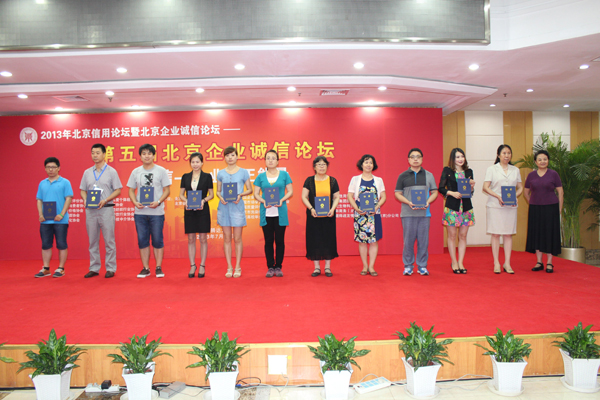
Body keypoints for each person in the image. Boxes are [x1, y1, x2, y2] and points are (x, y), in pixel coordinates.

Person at [127, 144, 171, 278]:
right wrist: (135, 202)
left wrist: (158, 201)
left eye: (149, 153)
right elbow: (131, 190)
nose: (147, 156)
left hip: (157, 212)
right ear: (140, 156)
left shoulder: (161, 171)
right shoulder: (135, 172)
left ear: (154, 155)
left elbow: (167, 190)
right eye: (144, 153)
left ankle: (158, 267)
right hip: (140, 213)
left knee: (157, 240)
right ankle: (145, 268)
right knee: (142, 241)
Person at [79, 144, 122, 278]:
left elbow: (118, 190)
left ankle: (110, 268)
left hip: (106, 209)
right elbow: (82, 190)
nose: (95, 155)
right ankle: (94, 268)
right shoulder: (87, 172)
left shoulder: (111, 171)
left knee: (109, 241)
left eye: (98, 153)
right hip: (91, 211)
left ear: (104, 154)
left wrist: (106, 200)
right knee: (92, 241)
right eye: (93, 153)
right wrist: (85, 199)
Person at [394, 148, 438, 276]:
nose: (415, 159)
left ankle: (422, 266)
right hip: (408, 213)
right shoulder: (402, 176)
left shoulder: (429, 175)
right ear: (408, 160)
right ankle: (408, 266)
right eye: (412, 157)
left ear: (422, 159)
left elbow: (435, 192)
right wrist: (408, 202)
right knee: (408, 241)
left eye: (418, 156)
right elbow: (397, 193)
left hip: (424, 214)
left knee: (423, 241)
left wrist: (428, 202)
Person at [483, 144, 523, 274]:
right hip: (495, 205)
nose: (507, 155)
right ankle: (496, 262)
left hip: (510, 206)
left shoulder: (515, 170)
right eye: (504, 153)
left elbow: (520, 187)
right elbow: (485, 187)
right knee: (495, 234)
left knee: (508, 234)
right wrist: (498, 196)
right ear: (498, 155)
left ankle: (507, 263)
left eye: (509, 153)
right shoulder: (492, 169)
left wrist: (515, 196)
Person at [253, 150, 294, 277]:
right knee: (268, 241)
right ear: (265, 161)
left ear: (277, 161)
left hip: (280, 213)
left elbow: (290, 191)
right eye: (268, 158)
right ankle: (270, 266)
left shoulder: (284, 175)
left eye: (273, 158)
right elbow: (256, 194)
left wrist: (282, 200)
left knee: (280, 241)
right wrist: (263, 201)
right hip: (266, 213)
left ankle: (279, 266)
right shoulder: (260, 177)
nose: (270, 160)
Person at [524, 150, 563, 273]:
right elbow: (526, 192)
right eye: (539, 159)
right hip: (535, 209)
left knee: (549, 234)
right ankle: (539, 262)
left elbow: (560, 192)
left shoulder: (553, 174)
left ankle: (550, 262)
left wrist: (559, 209)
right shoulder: (531, 175)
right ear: (535, 162)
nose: (542, 161)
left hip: (551, 208)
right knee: (537, 234)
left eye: (545, 159)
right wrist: (533, 201)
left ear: (548, 161)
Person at [216, 146, 252, 278]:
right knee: (226, 238)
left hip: (237, 207)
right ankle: (229, 267)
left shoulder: (243, 172)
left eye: (232, 155)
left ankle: (237, 266)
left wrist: (240, 195)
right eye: (227, 155)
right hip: (224, 207)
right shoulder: (221, 173)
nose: (230, 158)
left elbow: (250, 189)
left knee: (237, 238)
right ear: (224, 158)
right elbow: (218, 191)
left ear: (237, 156)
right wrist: (220, 197)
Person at [438, 148, 475, 274]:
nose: (460, 159)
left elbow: (470, 192)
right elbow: (441, 188)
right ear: (453, 159)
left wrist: (472, 187)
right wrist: (451, 193)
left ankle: (461, 262)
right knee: (452, 236)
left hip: (466, 208)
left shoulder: (469, 171)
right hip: (452, 208)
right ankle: (454, 262)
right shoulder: (447, 170)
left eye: (462, 156)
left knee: (463, 236)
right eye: (457, 157)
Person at [347, 154, 386, 276]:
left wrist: (377, 206)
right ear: (362, 164)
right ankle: (364, 266)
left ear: (374, 165)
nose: (369, 165)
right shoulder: (355, 179)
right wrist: (356, 208)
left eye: (371, 162)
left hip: (374, 214)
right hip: (360, 214)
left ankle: (372, 267)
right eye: (366, 162)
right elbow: (350, 195)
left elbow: (383, 196)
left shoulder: (378, 180)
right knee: (362, 241)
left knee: (374, 241)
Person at [35, 157, 73, 278]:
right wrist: (40, 214)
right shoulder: (42, 183)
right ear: (45, 169)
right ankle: (46, 268)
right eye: (48, 167)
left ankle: (61, 268)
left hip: (61, 220)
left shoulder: (65, 182)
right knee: (45, 244)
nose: (51, 169)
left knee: (61, 244)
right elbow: (39, 200)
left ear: (58, 168)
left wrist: (61, 214)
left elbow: (68, 198)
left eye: (53, 167)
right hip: (46, 220)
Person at [301, 156, 340, 277]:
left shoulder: (332, 181)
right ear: (314, 167)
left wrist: (332, 209)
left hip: (328, 215)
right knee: (314, 240)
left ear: (327, 166)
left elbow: (336, 197)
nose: (321, 167)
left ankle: (327, 267)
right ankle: (316, 268)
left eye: (324, 164)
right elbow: (304, 197)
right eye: (319, 164)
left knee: (328, 239)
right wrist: (311, 209)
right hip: (314, 215)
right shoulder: (309, 180)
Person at [179, 152, 214, 278]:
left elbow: (211, 194)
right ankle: (192, 265)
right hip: (189, 210)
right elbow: (181, 194)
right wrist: (186, 201)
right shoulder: (185, 176)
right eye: (193, 162)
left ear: (202, 163)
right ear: (190, 163)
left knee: (203, 238)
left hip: (202, 210)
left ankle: (202, 265)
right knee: (191, 238)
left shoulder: (207, 176)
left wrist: (203, 200)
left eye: (197, 162)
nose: (195, 164)